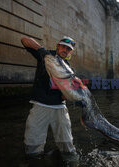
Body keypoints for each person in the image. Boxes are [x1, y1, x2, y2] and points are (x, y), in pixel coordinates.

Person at [20, 36, 79, 164]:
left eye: (68, 49)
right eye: (63, 46)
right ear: (58, 46)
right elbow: (24, 40)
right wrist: (41, 51)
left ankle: (72, 163)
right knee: (32, 145)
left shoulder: (69, 70)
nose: (65, 50)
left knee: (67, 145)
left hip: (60, 107)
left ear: (70, 52)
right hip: (40, 104)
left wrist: (70, 95)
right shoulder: (46, 56)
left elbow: (64, 96)